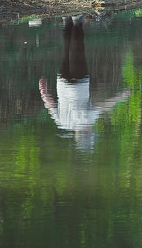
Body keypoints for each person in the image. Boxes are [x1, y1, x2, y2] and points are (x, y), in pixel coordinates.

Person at [39, 16, 132, 152]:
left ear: (86, 133)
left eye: (91, 132)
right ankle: (67, 22)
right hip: (62, 84)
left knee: (77, 51)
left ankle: (77, 22)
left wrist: (121, 96)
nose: (92, 129)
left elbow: (104, 105)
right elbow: (50, 105)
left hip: (79, 83)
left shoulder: (86, 120)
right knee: (67, 53)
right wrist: (43, 91)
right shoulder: (62, 124)